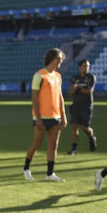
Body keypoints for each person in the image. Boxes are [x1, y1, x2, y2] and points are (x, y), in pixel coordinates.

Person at [23, 48, 68, 182]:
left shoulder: (58, 76)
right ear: (52, 59)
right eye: (59, 59)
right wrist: (38, 118)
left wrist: (63, 116)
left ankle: (50, 174)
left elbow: (60, 97)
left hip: (55, 117)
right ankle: (26, 168)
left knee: (53, 146)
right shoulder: (39, 76)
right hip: (41, 118)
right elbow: (34, 99)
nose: (60, 61)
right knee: (36, 144)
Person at [67, 59, 97, 154]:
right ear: (80, 67)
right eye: (84, 66)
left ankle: (92, 137)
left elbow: (89, 91)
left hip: (86, 105)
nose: (86, 68)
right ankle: (74, 148)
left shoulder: (91, 77)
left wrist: (78, 88)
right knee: (74, 127)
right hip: (76, 105)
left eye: (88, 66)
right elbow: (70, 92)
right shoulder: (75, 78)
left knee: (85, 127)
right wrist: (74, 89)